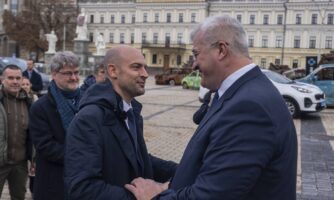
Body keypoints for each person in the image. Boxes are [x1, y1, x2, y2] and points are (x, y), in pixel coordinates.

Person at [126, 15, 298, 200]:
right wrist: (173, 185)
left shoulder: (249, 107)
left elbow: (211, 195)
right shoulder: (241, 93)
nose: (194, 64)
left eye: (196, 54)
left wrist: (154, 196)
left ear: (221, 50)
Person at [65, 45, 177, 200]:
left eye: (145, 67)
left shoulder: (132, 112)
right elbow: (82, 188)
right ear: (113, 71)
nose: (145, 74)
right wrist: (140, 197)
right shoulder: (89, 119)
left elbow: (138, 159)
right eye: (136, 67)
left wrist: (181, 170)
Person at [29, 51, 81, 200]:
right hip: (54, 181)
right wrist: (81, 156)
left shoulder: (86, 101)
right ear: (54, 74)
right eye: (68, 73)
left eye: (76, 72)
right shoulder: (40, 107)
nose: (74, 77)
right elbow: (45, 146)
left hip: (83, 179)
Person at [0, 65, 33, 200]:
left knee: (19, 197)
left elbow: (32, 135)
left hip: (20, 164)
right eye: (10, 78)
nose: (15, 81)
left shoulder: (28, 102)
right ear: (2, 80)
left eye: (18, 78)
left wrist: (33, 158)